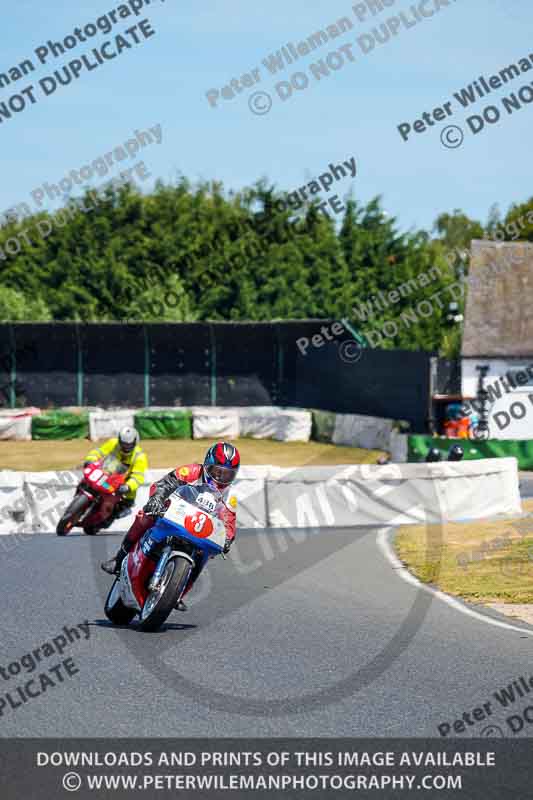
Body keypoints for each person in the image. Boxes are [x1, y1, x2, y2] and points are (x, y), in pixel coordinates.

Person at [100, 441, 240, 611]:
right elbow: (165, 484)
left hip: (199, 530)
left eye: (227, 475)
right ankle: (119, 558)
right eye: (217, 472)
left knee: (206, 554)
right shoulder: (191, 471)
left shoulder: (230, 495)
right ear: (207, 466)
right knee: (145, 516)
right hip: (174, 513)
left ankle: (177, 592)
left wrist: (227, 540)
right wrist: (157, 499)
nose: (220, 478)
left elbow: (229, 520)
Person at [84, 426, 147, 520]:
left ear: (135, 442)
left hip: (123, 483)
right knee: (87, 480)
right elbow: (99, 452)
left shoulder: (140, 457)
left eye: (129, 444)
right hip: (107, 476)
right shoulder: (113, 443)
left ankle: (118, 511)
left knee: (126, 502)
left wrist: (128, 486)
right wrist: (90, 459)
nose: (126, 447)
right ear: (120, 440)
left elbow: (138, 477)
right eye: (123, 444)